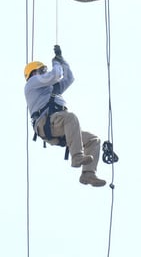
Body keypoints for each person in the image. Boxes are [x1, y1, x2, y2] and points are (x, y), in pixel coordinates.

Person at [24, 45, 106, 187]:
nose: (45, 72)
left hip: (59, 124)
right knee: (70, 117)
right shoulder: (32, 84)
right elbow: (55, 75)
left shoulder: (51, 89)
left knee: (93, 140)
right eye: (42, 70)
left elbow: (69, 77)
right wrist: (55, 64)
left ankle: (88, 174)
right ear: (33, 73)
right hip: (47, 124)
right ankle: (77, 157)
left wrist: (62, 60)